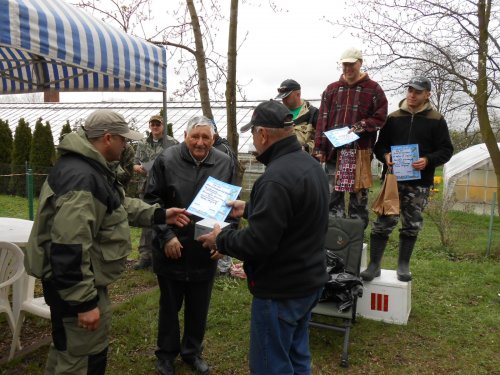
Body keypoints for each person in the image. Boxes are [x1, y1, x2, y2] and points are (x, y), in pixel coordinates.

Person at [24, 109, 189, 375]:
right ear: (108, 138)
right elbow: (69, 248)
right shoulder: (82, 179)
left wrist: (159, 214)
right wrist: (84, 303)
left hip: (73, 284)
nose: (126, 145)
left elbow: (116, 204)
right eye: (123, 140)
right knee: (81, 360)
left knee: (66, 349)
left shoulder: (89, 169)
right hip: (74, 288)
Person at [198, 100, 329, 375]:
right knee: (297, 357)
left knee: (271, 366)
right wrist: (251, 208)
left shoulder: (274, 179)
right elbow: (297, 214)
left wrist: (220, 240)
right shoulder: (310, 165)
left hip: (280, 290)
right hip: (308, 281)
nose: (253, 142)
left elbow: (259, 243)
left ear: (263, 134)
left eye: (253, 134)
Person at [143, 115, 235, 375]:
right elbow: (151, 202)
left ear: (213, 139)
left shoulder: (225, 163)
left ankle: (192, 352)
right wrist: (166, 236)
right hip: (172, 246)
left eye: (206, 137)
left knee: (199, 306)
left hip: (204, 248)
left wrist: (224, 242)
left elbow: (230, 209)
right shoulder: (167, 159)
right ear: (185, 136)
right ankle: (166, 354)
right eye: (195, 136)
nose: (200, 142)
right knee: (170, 306)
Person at [361, 76, 453, 282]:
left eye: (417, 91)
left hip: (419, 183)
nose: (412, 95)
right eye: (410, 90)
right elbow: (379, 146)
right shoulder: (393, 118)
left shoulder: (436, 120)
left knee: (411, 224)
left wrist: (428, 160)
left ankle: (403, 265)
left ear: (427, 95)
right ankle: (374, 265)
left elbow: (446, 150)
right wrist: (385, 156)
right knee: (383, 223)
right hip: (393, 181)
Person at [314, 47, 388, 229]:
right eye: (344, 64)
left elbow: (381, 117)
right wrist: (319, 147)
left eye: (351, 64)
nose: (347, 69)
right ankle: (333, 239)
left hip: (359, 154)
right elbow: (322, 119)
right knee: (332, 198)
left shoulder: (373, 89)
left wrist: (362, 126)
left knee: (358, 201)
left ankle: (355, 240)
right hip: (333, 154)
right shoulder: (331, 90)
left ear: (360, 63)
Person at [132, 114, 179, 270]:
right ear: (149, 125)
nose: (155, 127)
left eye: (158, 124)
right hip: (145, 186)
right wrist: (137, 168)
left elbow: (178, 163)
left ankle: (159, 255)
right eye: (152, 124)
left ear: (163, 125)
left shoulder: (172, 143)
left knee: (163, 219)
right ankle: (145, 256)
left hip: (164, 188)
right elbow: (134, 163)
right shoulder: (142, 143)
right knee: (147, 220)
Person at [211, 121, 241, 276]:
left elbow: (226, 174)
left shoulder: (222, 150)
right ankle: (222, 265)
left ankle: (224, 267)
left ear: (214, 134)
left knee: (223, 225)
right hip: (223, 191)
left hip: (223, 193)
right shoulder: (222, 147)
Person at [275, 79, 318, 155]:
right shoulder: (279, 114)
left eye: (286, 97)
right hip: (282, 159)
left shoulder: (312, 113)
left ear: (298, 94)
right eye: (282, 97)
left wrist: (306, 148)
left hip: (306, 161)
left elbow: (320, 139)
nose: (283, 100)